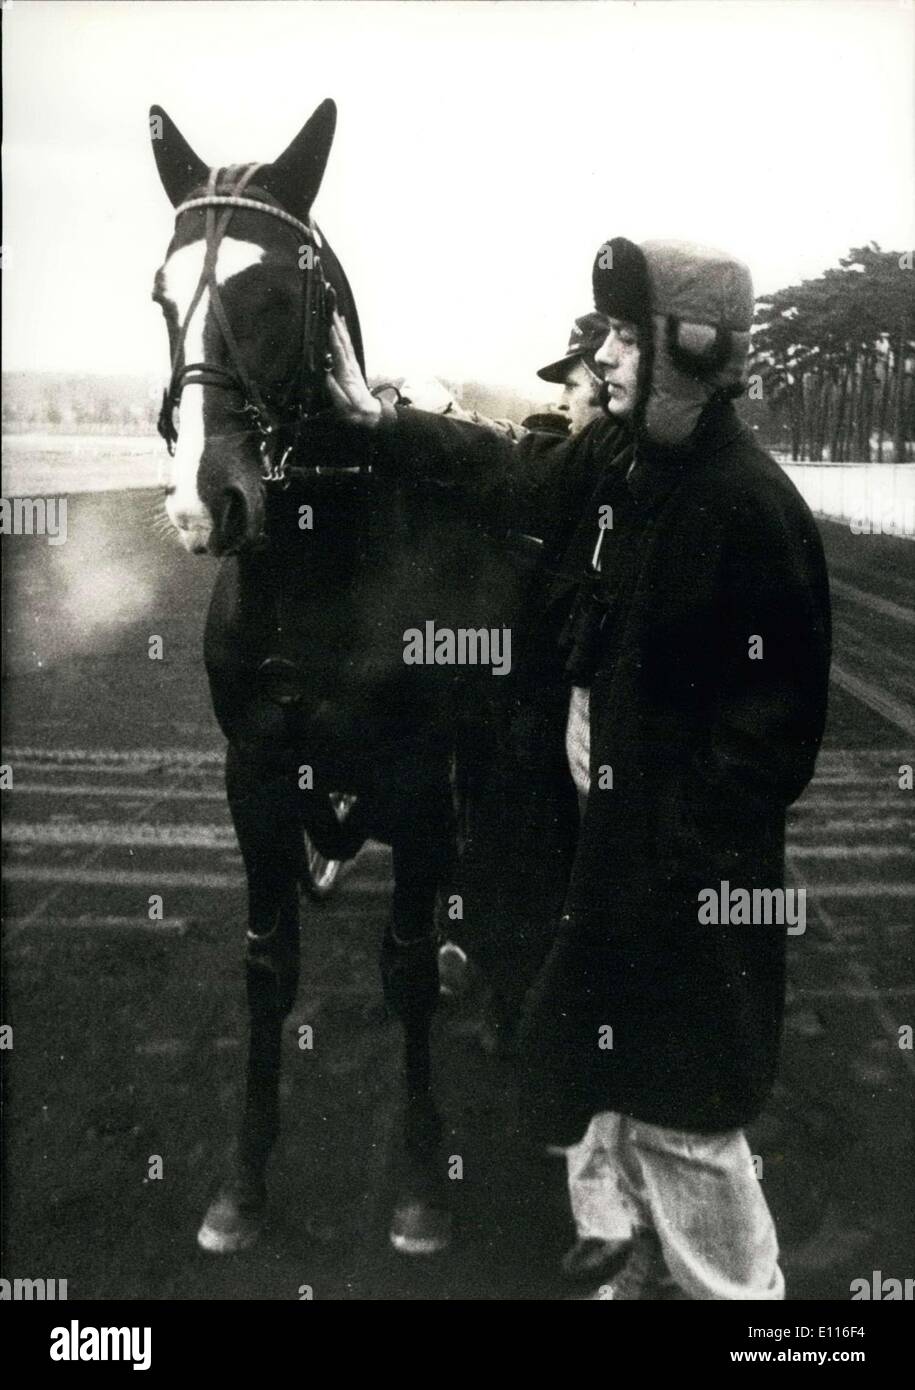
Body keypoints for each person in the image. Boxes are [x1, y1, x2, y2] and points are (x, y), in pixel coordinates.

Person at [321, 235, 832, 1300]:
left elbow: (770, 746)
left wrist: (661, 865)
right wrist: (383, 421)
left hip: (678, 894)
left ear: (688, 352)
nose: (599, 355)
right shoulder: (624, 465)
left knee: (690, 1130)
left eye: (619, 336)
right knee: (618, 1096)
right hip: (609, 869)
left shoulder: (750, 508)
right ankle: (634, 1265)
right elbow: (514, 473)